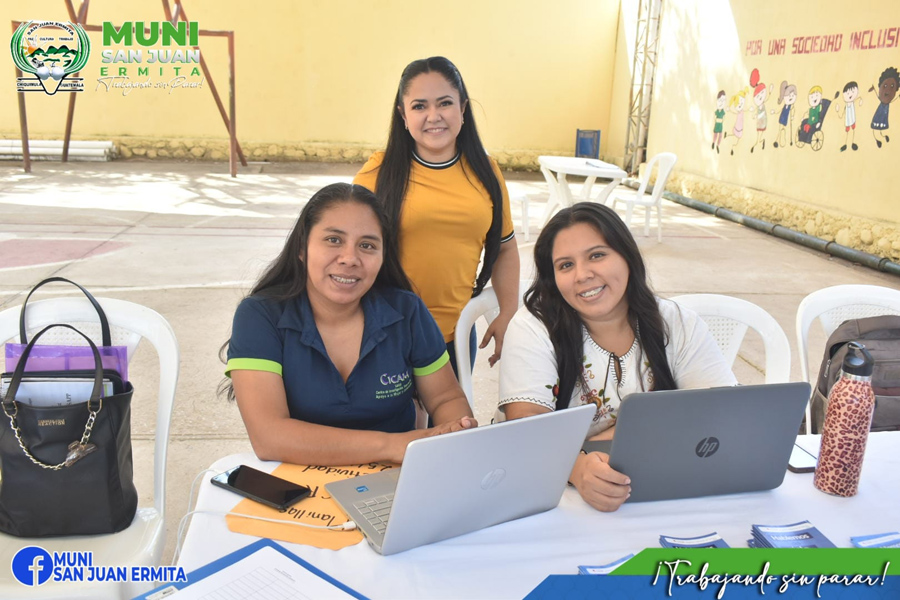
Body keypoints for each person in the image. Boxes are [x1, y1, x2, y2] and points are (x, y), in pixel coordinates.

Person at [498, 203, 736, 512]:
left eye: (597, 255)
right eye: (565, 265)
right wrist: (576, 468)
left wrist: (607, 440)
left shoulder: (677, 322)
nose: (583, 275)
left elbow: (721, 413)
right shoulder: (534, 326)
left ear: (627, 256)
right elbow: (525, 427)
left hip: (654, 482)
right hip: (550, 491)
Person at [223, 183, 476, 466]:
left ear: (383, 256)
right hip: (296, 480)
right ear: (302, 248)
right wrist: (393, 445)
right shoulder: (259, 315)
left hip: (397, 477)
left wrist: (455, 431)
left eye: (367, 245)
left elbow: (445, 398)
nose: (349, 259)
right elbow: (270, 438)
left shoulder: (407, 311)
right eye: (334, 240)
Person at [354, 56, 520, 375]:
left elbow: (506, 248)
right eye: (419, 106)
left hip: (455, 339)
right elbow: (346, 249)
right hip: (384, 334)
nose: (434, 116)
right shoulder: (378, 173)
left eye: (445, 103)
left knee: (452, 410)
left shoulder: (487, 172)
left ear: (463, 108)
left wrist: (508, 312)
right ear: (403, 115)